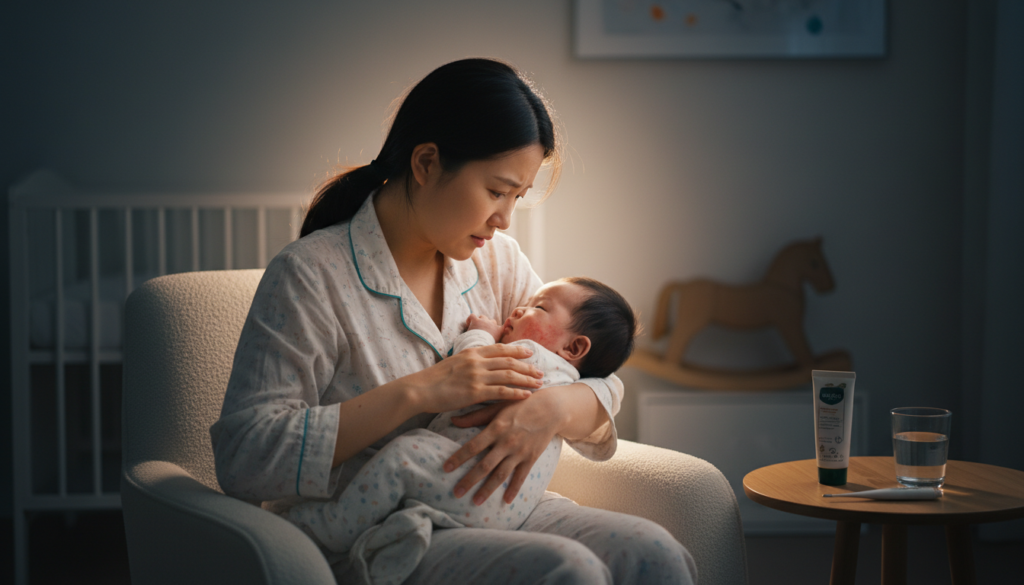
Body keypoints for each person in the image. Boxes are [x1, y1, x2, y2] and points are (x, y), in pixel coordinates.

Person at [210, 58, 697, 585]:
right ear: (425, 163)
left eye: (517, 197)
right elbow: (245, 455)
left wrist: (553, 408)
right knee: (567, 571)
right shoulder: (310, 275)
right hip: (378, 528)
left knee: (655, 553)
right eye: (495, 191)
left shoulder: (498, 261)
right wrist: (421, 391)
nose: (505, 218)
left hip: (499, 507)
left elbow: (589, 376)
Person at [281, 277, 640, 584]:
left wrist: (481, 334)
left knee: (407, 455)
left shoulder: (530, 355)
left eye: (538, 307)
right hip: (504, 507)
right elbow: (606, 386)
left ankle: (331, 527)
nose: (518, 309)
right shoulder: (569, 375)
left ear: (574, 347)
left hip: (470, 484)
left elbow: (471, 366)